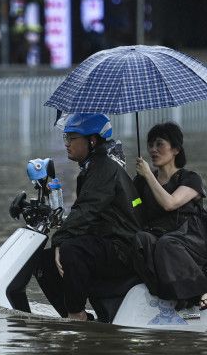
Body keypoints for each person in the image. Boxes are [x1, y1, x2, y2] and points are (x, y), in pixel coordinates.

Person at [35, 113, 142, 321]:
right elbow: (85, 213)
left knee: (71, 249)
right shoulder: (91, 167)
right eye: (66, 138)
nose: (66, 144)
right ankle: (73, 315)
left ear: (92, 140)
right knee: (44, 262)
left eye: (72, 138)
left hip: (122, 247)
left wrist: (60, 239)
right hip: (105, 241)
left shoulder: (103, 167)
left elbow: (87, 210)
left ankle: (77, 315)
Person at [132, 122, 207, 310]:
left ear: (176, 149)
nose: (153, 150)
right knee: (140, 239)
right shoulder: (142, 181)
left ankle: (204, 290)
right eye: (150, 145)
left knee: (167, 243)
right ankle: (165, 294)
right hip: (159, 237)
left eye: (159, 144)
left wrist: (148, 175)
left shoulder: (190, 178)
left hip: (189, 239)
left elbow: (170, 203)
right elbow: (132, 208)